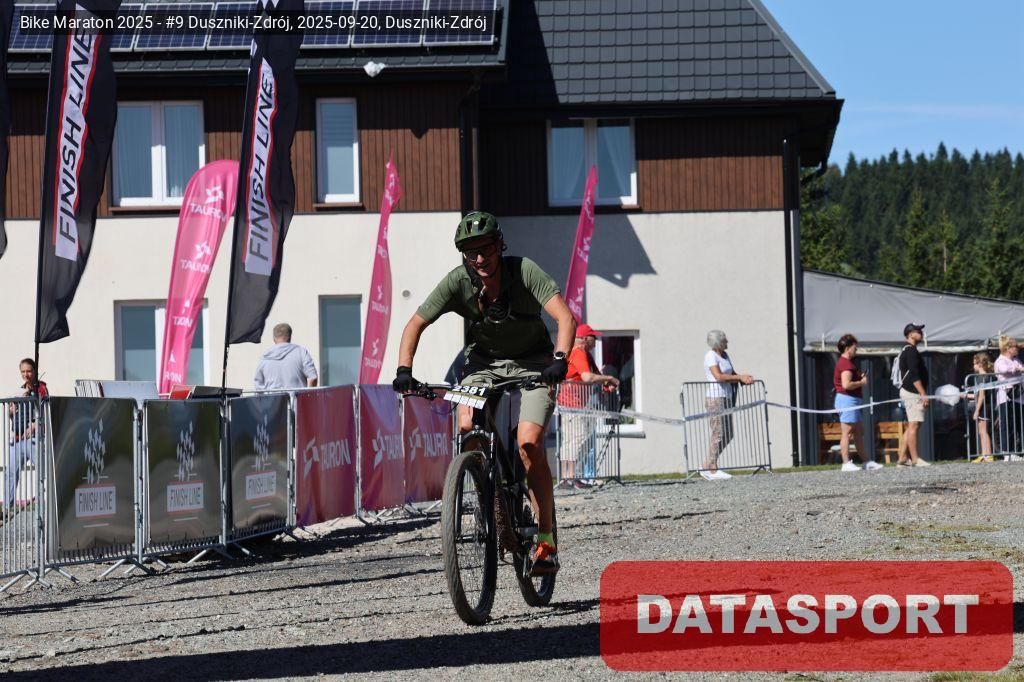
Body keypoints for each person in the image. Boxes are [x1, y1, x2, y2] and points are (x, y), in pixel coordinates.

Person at [392, 211, 575, 575]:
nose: (480, 258)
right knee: (466, 426)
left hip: (535, 364)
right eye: (471, 251)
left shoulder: (523, 271)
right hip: (483, 366)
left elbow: (565, 318)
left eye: (486, 248)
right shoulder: (458, 281)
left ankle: (546, 541)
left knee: (528, 444)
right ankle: (490, 499)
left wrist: (560, 359)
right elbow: (416, 323)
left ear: (500, 245)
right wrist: (403, 370)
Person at [558, 323, 620, 486]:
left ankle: (568, 478)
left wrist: (606, 384)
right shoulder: (579, 352)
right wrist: (609, 378)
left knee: (571, 440)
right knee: (578, 439)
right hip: (573, 405)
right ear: (585, 339)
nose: (596, 341)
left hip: (572, 404)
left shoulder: (582, 353)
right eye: (594, 338)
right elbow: (587, 377)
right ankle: (571, 477)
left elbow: (595, 375)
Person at [702, 330, 754, 481]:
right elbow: (718, 376)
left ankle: (707, 464)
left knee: (728, 433)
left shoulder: (725, 355)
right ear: (718, 342)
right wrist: (739, 377)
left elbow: (731, 373)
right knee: (718, 432)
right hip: (715, 398)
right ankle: (711, 468)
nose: (727, 341)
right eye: (725, 340)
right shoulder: (710, 356)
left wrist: (743, 379)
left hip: (727, 396)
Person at [832, 334, 883, 472]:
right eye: (855, 347)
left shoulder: (847, 363)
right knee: (847, 432)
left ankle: (866, 461)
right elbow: (846, 385)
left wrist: (858, 378)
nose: (856, 350)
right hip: (847, 400)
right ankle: (846, 463)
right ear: (848, 348)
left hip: (851, 400)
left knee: (858, 432)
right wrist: (861, 382)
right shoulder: (845, 364)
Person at [6, 359, 48, 514]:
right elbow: (14, 415)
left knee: (43, 473)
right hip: (17, 439)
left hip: (33, 438)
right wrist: (11, 412)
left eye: (29, 371)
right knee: (11, 472)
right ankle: (7, 508)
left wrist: (33, 426)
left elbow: (44, 411)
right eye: (23, 371)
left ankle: (45, 506)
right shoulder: (19, 391)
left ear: (35, 371)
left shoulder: (41, 388)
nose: (26, 374)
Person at [896, 323, 930, 467]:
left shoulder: (909, 350)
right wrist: (923, 394)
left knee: (913, 425)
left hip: (911, 391)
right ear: (910, 334)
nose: (921, 333)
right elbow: (914, 375)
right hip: (912, 392)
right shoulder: (910, 351)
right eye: (918, 331)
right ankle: (915, 459)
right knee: (914, 425)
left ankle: (903, 458)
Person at [253, 323, 318, 390]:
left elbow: (258, 384)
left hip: (272, 396)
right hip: (296, 396)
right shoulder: (301, 352)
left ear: (274, 338)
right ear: (290, 336)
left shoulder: (265, 356)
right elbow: (313, 378)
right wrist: (308, 394)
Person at [993, 336, 1024, 456]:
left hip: (1019, 397)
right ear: (1008, 348)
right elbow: (1004, 369)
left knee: (1019, 425)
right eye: (1015, 346)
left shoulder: (1016, 360)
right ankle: (1007, 453)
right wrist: (1018, 369)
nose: (1017, 348)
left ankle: (1019, 452)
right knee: (1007, 425)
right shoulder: (1000, 360)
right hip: (1006, 398)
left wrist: (1019, 369)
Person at [971, 352, 995, 462]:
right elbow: (978, 394)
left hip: (984, 407)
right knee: (981, 431)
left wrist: (977, 410)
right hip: (985, 406)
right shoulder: (984, 377)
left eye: (974, 364)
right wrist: (966, 395)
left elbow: (982, 396)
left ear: (980, 364)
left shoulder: (983, 377)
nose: (973, 366)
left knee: (983, 431)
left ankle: (988, 454)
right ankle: (984, 454)